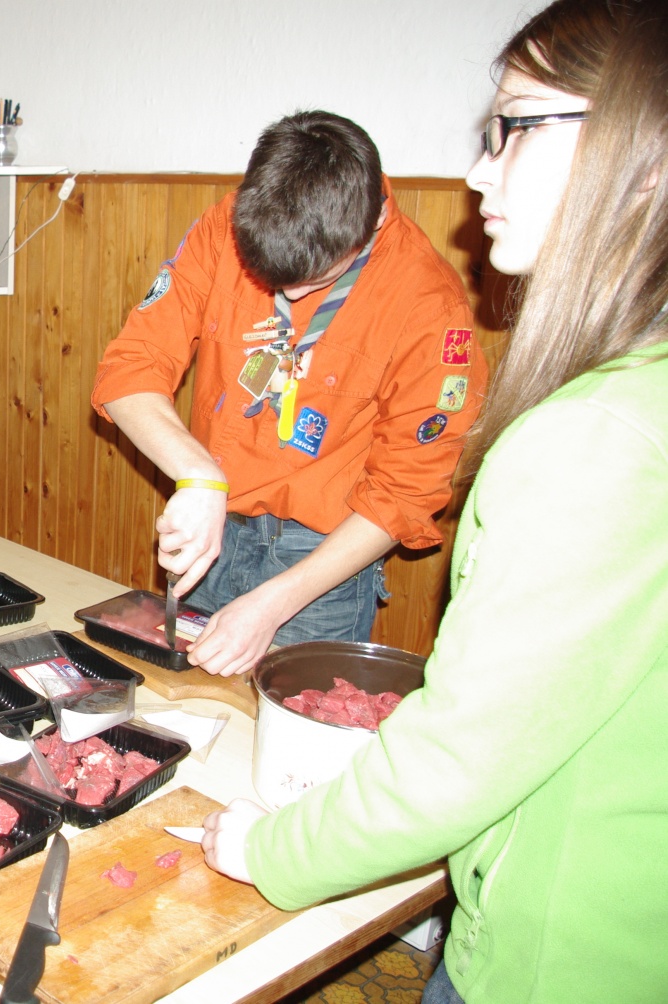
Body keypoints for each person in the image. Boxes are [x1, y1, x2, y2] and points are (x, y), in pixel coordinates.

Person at [202, 2, 668, 1001]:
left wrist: (275, 850)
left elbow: (460, 751)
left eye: (515, 127)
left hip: (556, 958)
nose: (478, 172)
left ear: (647, 152)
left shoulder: (592, 431)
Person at [92, 111, 487, 676]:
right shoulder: (225, 224)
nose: (291, 295)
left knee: (290, 725)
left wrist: (276, 603)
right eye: (273, 278)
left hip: (320, 565)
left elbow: (406, 492)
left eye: (317, 280)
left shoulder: (429, 303)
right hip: (214, 526)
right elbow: (131, 368)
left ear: (375, 219)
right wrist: (198, 476)